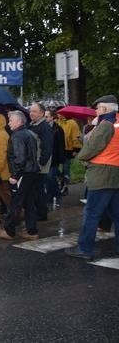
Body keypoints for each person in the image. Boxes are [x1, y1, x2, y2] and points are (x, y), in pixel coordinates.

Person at [66, 95, 119, 261]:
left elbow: (92, 147)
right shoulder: (117, 123)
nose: (95, 111)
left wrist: (81, 158)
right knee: (117, 215)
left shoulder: (106, 125)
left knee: (92, 213)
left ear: (104, 109)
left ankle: (85, 249)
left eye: (97, 108)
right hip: (115, 174)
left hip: (101, 174)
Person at [0, 111, 40, 240]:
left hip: (23, 173)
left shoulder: (17, 136)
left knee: (16, 202)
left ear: (19, 122)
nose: (9, 123)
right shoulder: (29, 134)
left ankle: (9, 230)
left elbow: (20, 158)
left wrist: (15, 175)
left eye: (11, 121)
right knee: (29, 201)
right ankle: (31, 231)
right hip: (32, 172)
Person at [28, 102, 53, 221]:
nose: (31, 113)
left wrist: (40, 163)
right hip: (33, 164)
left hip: (39, 165)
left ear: (42, 113)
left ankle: (42, 214)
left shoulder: (44, 127)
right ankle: (38, 212)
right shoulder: (32, 125)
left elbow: (47, 148)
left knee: (38, 190)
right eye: (30, 111)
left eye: (34, 111)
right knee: (35, 190)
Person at [56, 109, 82, 194]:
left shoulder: (72, 123)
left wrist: (76, 149)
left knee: (65, 168)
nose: (58, 114)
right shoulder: (57, 122)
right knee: (54, 169)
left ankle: (65, 186)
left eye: (60, 113)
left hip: (68, 149)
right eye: (57, 113)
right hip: (59, 149)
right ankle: (61, 180)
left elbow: (76, 136)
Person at [45, 108, 66, 204]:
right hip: (46, 157)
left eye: (47, 116)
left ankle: (52, 196)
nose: (45, 118)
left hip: (54, 158)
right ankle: (56, 193)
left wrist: (61, 159)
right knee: (48, 177)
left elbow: (61, 145)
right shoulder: (44, 127)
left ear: (52, 117)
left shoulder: (58, 129)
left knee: (50, 176)